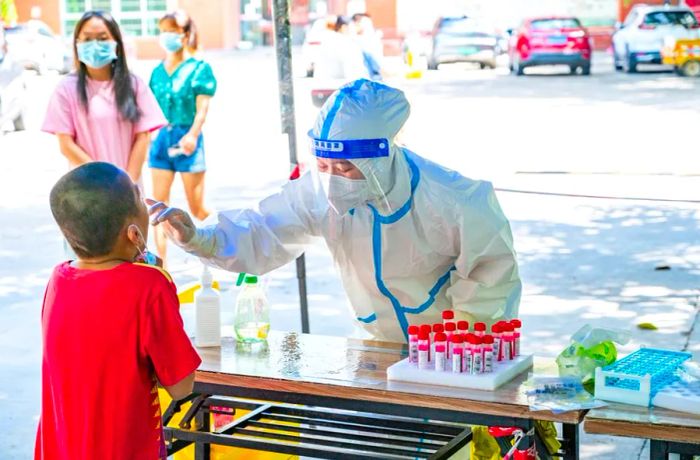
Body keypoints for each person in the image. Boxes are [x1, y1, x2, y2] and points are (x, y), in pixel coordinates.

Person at [149, 79, 521, 343]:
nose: (334, 179)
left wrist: (461, 342)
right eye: (325, 165)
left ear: (381, 155)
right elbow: (264, 232)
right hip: (374, 343)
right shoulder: (316, 191)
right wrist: (200, 238)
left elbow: (491, 276)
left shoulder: (453, 199)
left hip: (450, 349)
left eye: (346, 167)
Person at [35, 162, 200, 460]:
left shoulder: (58, 279)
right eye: (139, 197)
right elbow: (181, 385)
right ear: (134, 233)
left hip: (62, 448)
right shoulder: (149, 286)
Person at [41, 10, 166, 184]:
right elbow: (66, 145)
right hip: (88, 187)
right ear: (77, 43)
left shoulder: (134, 84)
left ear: (116, 43)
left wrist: (125, 182)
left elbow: (142, 138)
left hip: (128, 188)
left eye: (102, 38)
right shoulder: (65, 88)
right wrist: (104, 182)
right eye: (87, 39)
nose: (95, 45)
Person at [148, 10, 217, 262]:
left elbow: (203, 109)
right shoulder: (157, 71)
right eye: (163, 30)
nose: (167, 36)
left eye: (173, 31)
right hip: (160, 139)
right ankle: (161, 268)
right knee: (157, 208)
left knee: (198, 209)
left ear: (186, 34)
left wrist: (192, 135)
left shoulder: (199, 68)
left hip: (188, 137)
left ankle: (226, 248)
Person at [313, 15, 368, 83]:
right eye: (351, 26)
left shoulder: (328, 38)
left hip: (322, 81)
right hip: (336, 83)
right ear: (344, 27)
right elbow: (351, 69)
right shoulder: (344, 41)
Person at [351, 13, 383, 80]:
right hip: (368, 50)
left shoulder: (364, 22)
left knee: (373, 70)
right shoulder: (365, 22)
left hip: (368, 50)